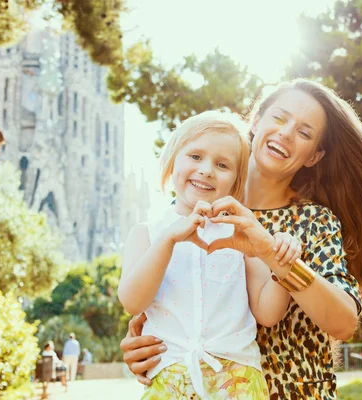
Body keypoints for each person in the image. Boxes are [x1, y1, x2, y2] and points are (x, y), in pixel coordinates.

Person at [120, 79, 362, 399]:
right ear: (256, 121)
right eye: (279, 117)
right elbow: (156, 300)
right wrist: (147, 343)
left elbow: (343, 323)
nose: (286, 133)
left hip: (293, 391)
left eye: (304, 132)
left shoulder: (312, 221)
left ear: (314, 156)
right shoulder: (187, 219)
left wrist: (278, 256)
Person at [118, 110, 302, 399]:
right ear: (172, 160)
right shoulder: (147, 233)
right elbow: (133, 301)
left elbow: (268, 314)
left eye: (222, 164)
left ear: (235, 181)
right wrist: (168, 240)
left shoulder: (241, 234)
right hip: (170, 375)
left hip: (238, 377)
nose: (206, 169)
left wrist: (281, 263)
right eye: (195, 156)